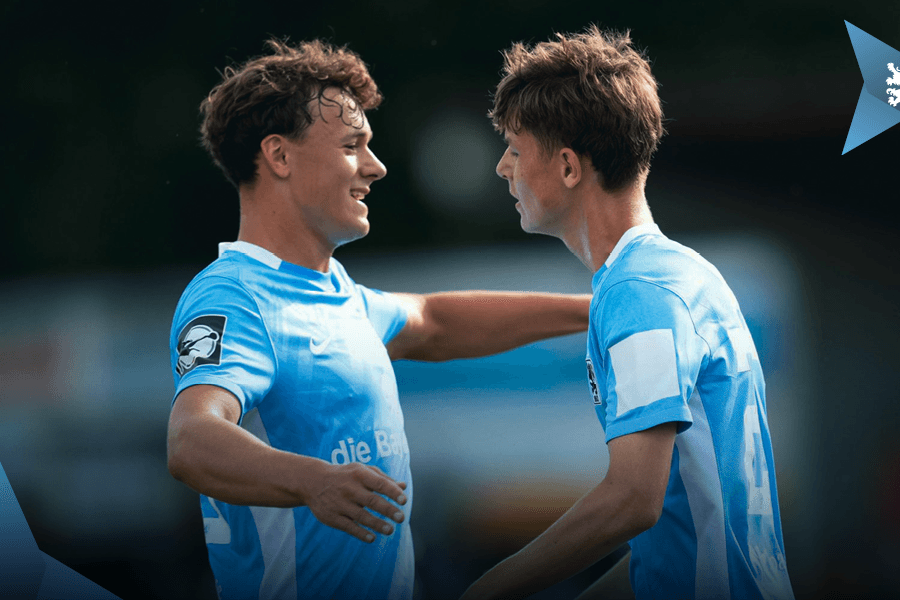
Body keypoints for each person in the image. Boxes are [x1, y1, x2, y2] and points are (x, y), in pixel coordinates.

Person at [166, 38, 591, 600]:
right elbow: (192, 439)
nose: (376, 165)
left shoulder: (333, 291)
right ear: (280, 156)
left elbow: (434, 320)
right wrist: (311, 481)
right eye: (351, 145)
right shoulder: (234, 298)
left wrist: (596, 309)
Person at [460, 26, 795, 600]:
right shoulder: (681, 274)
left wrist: (488, 588)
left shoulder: (639, 293)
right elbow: (667, 533)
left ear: (568, 167)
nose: (502, 168)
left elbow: (632, 500)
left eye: (515, 149)